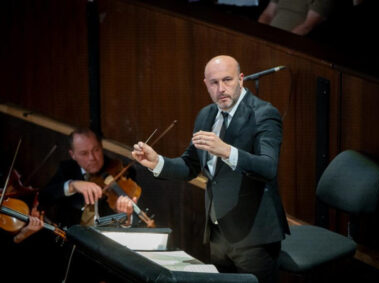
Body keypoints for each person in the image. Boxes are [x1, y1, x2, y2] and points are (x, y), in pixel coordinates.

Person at [132, 55, 290, 283]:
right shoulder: (207, 115)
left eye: (227, 80)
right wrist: (158, 162)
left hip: (254, 236)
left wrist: (226, 150)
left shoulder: (264, 114)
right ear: (205, 84)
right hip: (218, 231)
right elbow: (190, 165)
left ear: (241, 79)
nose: (221, 89)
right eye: (214, 83)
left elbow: (268, 167)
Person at [38, 128, 135, 229]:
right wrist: (72, 185)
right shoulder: (66, 169)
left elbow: (132, 222)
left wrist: (126, 217)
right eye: (84, 153)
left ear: (101, 147)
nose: (92, 158)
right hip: (71, 238)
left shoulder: (123, 171)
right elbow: (43, 198)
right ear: (73, 155)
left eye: (96, 150)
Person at [258, 0, 336, 36]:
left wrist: (281, 42)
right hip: (268, 39)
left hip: (290, 46)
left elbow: (307, 26)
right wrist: (260, 34)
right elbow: (267, 14)